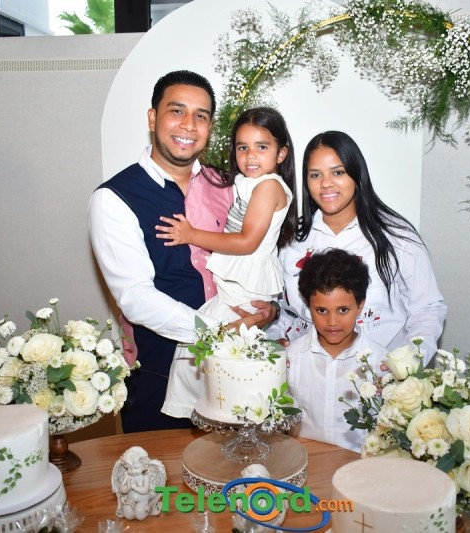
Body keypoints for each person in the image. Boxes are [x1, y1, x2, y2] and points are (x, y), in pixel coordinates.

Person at [88, 71, 269, 433]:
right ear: (152, 117)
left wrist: (269, 309)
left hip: (236, 372)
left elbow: (256, 255)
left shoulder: (228, 186)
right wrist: (220, 330)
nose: (189, 124)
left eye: (200, 116)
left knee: (241, 466)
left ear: (209, 127)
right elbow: (135, 298)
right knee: (162, 470)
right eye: (177, 111)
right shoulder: (116, 197)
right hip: (159, 378)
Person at [155, 107, 298, 418]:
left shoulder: (269, 187)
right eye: (242, 147)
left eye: (262, 147)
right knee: (207, 353)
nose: (250, 156)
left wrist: (191, 234)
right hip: (235, 285)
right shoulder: (250, 182)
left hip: (245, 285)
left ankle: (214, 415)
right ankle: (210, 414)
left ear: (281, 153)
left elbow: (247, 241)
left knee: (211, 354)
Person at [269, 130, 446, 365]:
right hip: (307, 374)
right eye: (315, 175)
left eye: (338, 172)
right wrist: (274, 339)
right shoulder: (291, 239)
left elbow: (427, 308)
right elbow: (285, 311)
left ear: (356, 174)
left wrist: (409, 363)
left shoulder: (396, 237)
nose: (326, 183)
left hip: (377, 376)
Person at [286, 248, 384, 452]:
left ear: (360, 306)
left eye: (343, 310)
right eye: (321, 310)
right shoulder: (291, 357)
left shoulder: (380, 362)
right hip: (306, 459)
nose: (332, 322)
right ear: (309, 306)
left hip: (359, 464)